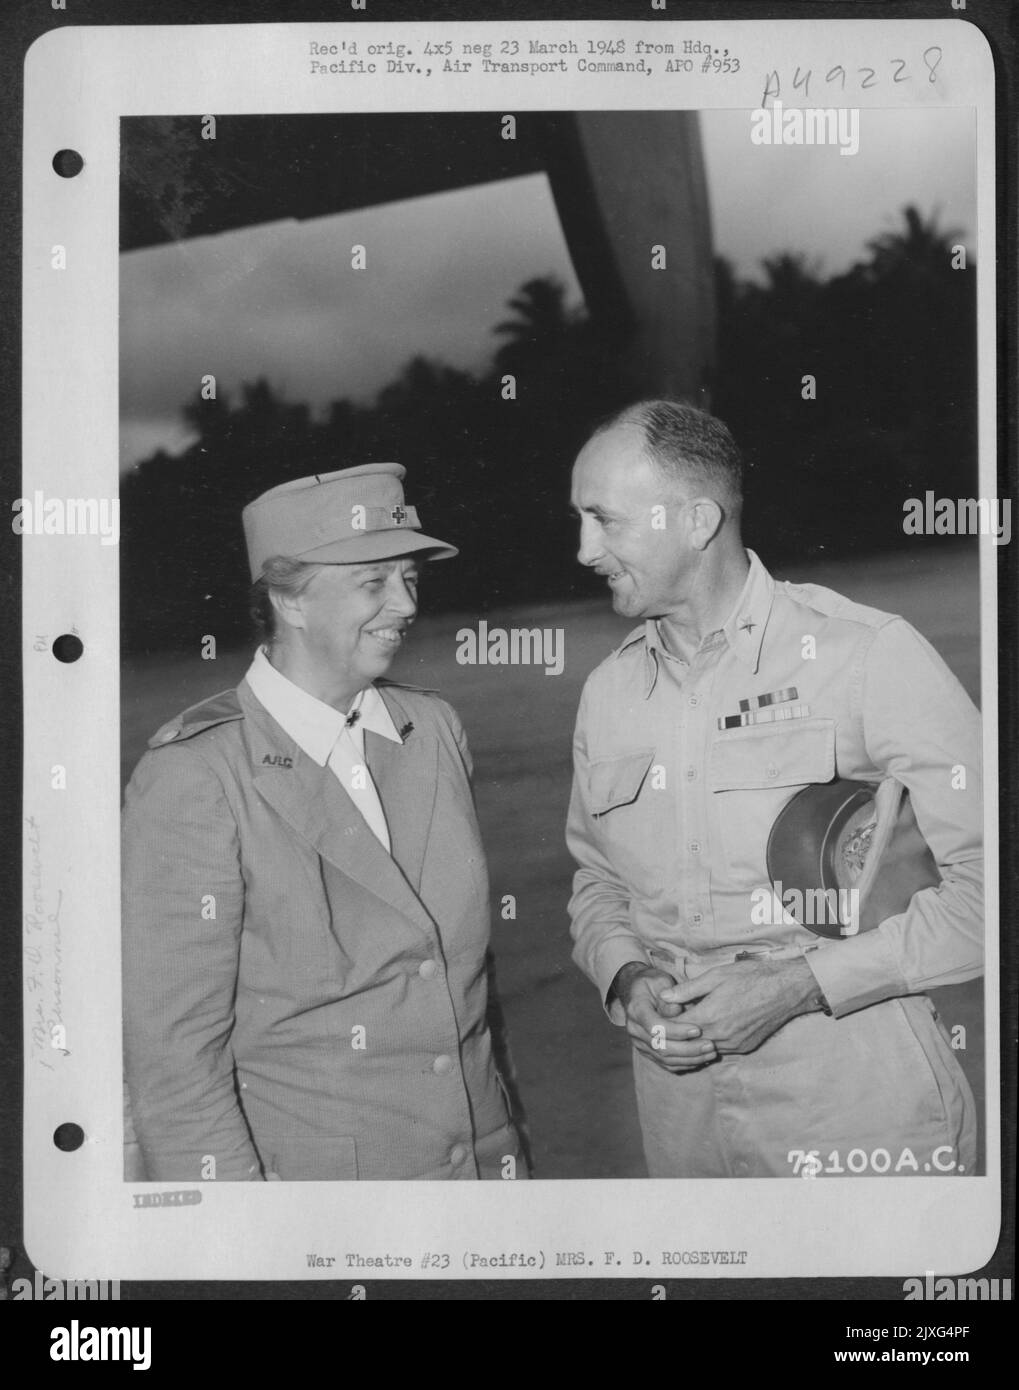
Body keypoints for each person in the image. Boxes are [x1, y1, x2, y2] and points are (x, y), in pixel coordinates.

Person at [566, 401, 983, 1179]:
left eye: (604, 520)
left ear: (695, 520)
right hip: (681, 1121)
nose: (584, 548)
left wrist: (794, 987)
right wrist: (625, 974)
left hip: (854, 1109)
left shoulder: (863, 654)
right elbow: (595, 881)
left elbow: (992, 892)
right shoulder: (608, 693)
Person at [123, 463, 523, 1182]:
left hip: (483, 1168)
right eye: (373, 583)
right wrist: (243, 1247)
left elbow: (468, 991)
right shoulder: (195, 775)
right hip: (328, 1204)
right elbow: (175, 1060)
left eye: (410, 578)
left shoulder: (430, 728)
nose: (404, 604)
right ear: (288, 600)